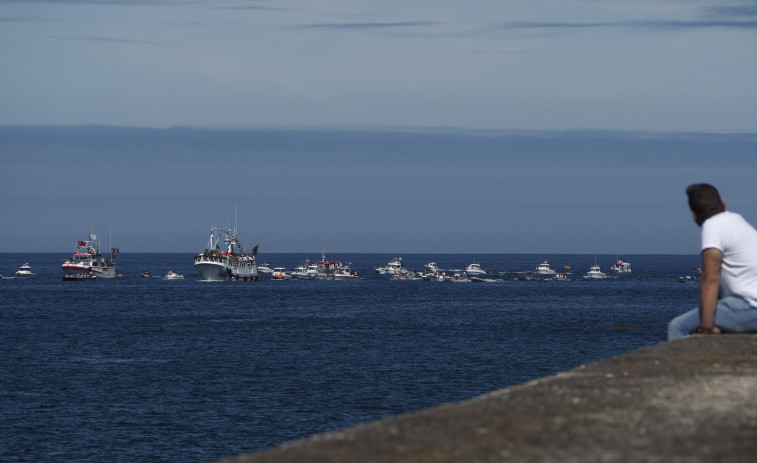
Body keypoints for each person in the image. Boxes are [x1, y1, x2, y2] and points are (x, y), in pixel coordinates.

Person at [668, 184, 757, 340]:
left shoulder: (713, 226)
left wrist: (707, 327)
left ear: (694, 215)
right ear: (723, 204)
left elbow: (710, 278)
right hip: (745, 304)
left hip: (750, 306)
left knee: (678, 327)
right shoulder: (737, 220)